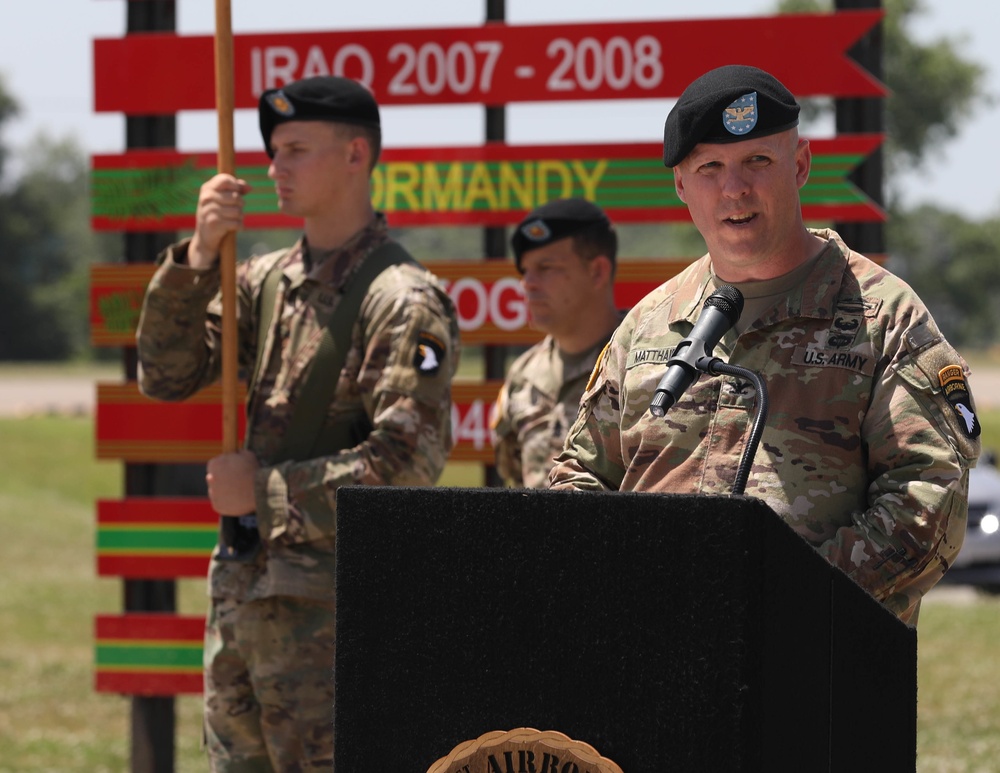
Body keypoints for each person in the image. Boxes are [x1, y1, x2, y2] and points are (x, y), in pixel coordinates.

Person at [548, 64, 981, 625]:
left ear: (799, 165)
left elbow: (928, 498)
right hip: (650, 653)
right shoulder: (648, 324)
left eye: (758, 161)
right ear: (681, 186)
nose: (734, 189)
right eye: (709, 168)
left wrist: (788, 606)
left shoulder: (884, 318)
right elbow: (579, 479)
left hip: (814, 664)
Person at [135, 76, 460, 770]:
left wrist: (267, 492)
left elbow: (408, 463)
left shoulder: (401, 298)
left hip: (333, 621)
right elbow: (164, 374)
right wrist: (197, 258)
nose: (274, 167)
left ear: (356, 155)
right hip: (244, 604)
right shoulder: (261, 281)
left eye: (295, 150)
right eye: (273, 151)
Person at [490, 198, 622, 488]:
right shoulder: (523, 376)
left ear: (597, 271)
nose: (528, 284)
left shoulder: (644, 366)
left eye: (546, 267)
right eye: (525, 271)